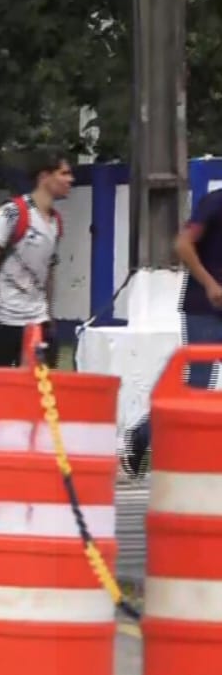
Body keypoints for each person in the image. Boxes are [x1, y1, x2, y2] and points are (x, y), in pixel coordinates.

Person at [121, 183, 222, 477]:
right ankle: (142, 435)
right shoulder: (215, 202)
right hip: (205, 307)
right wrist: (210, 284)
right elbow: (182, 244)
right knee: (197, 386)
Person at [0, 148, 73, 368]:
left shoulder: (55, 222)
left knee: (40, 391)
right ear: (44, 177)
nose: (70, 180)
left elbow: (48, 272)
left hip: (38, 319)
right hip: (3, 319)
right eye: (63, 173)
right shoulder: (12, 211)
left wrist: (49, 315)